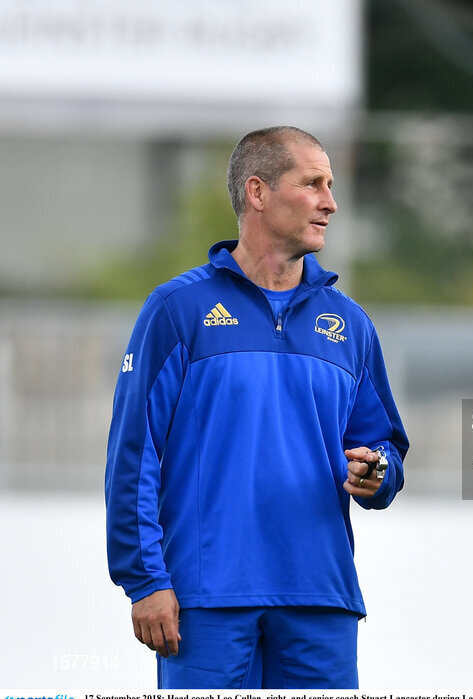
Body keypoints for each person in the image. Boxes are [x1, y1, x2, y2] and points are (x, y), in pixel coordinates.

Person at [105, 126, 409, 689]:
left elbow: (384, 447)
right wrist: (146, 580)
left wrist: (379, 472)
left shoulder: (351, 326)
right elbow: (133, 453)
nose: (331, 203)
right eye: (313, 184)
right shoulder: (178, 309)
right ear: (258, 192)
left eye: (331, 185)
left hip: (321, 598)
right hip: (207, 598)